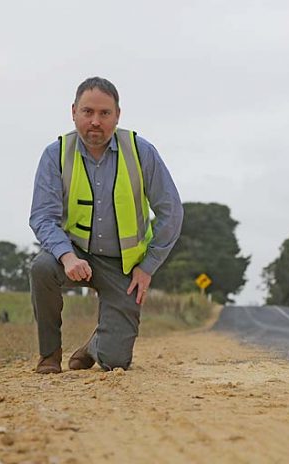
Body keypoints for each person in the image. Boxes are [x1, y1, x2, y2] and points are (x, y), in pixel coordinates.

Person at [29, 77, 183, 374]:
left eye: (104, 113)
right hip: (74, 253)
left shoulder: (141, 151)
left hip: (122, 266)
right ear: (73, 112)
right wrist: (66, 255)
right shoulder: (55, 154)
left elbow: (171, 211)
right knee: (41, 268)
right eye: (87, 112)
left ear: (117, 115)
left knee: (115, 363)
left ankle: (94, 345)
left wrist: (148, 266)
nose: (95, 122)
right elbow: (42, 216)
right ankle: (50, 354)